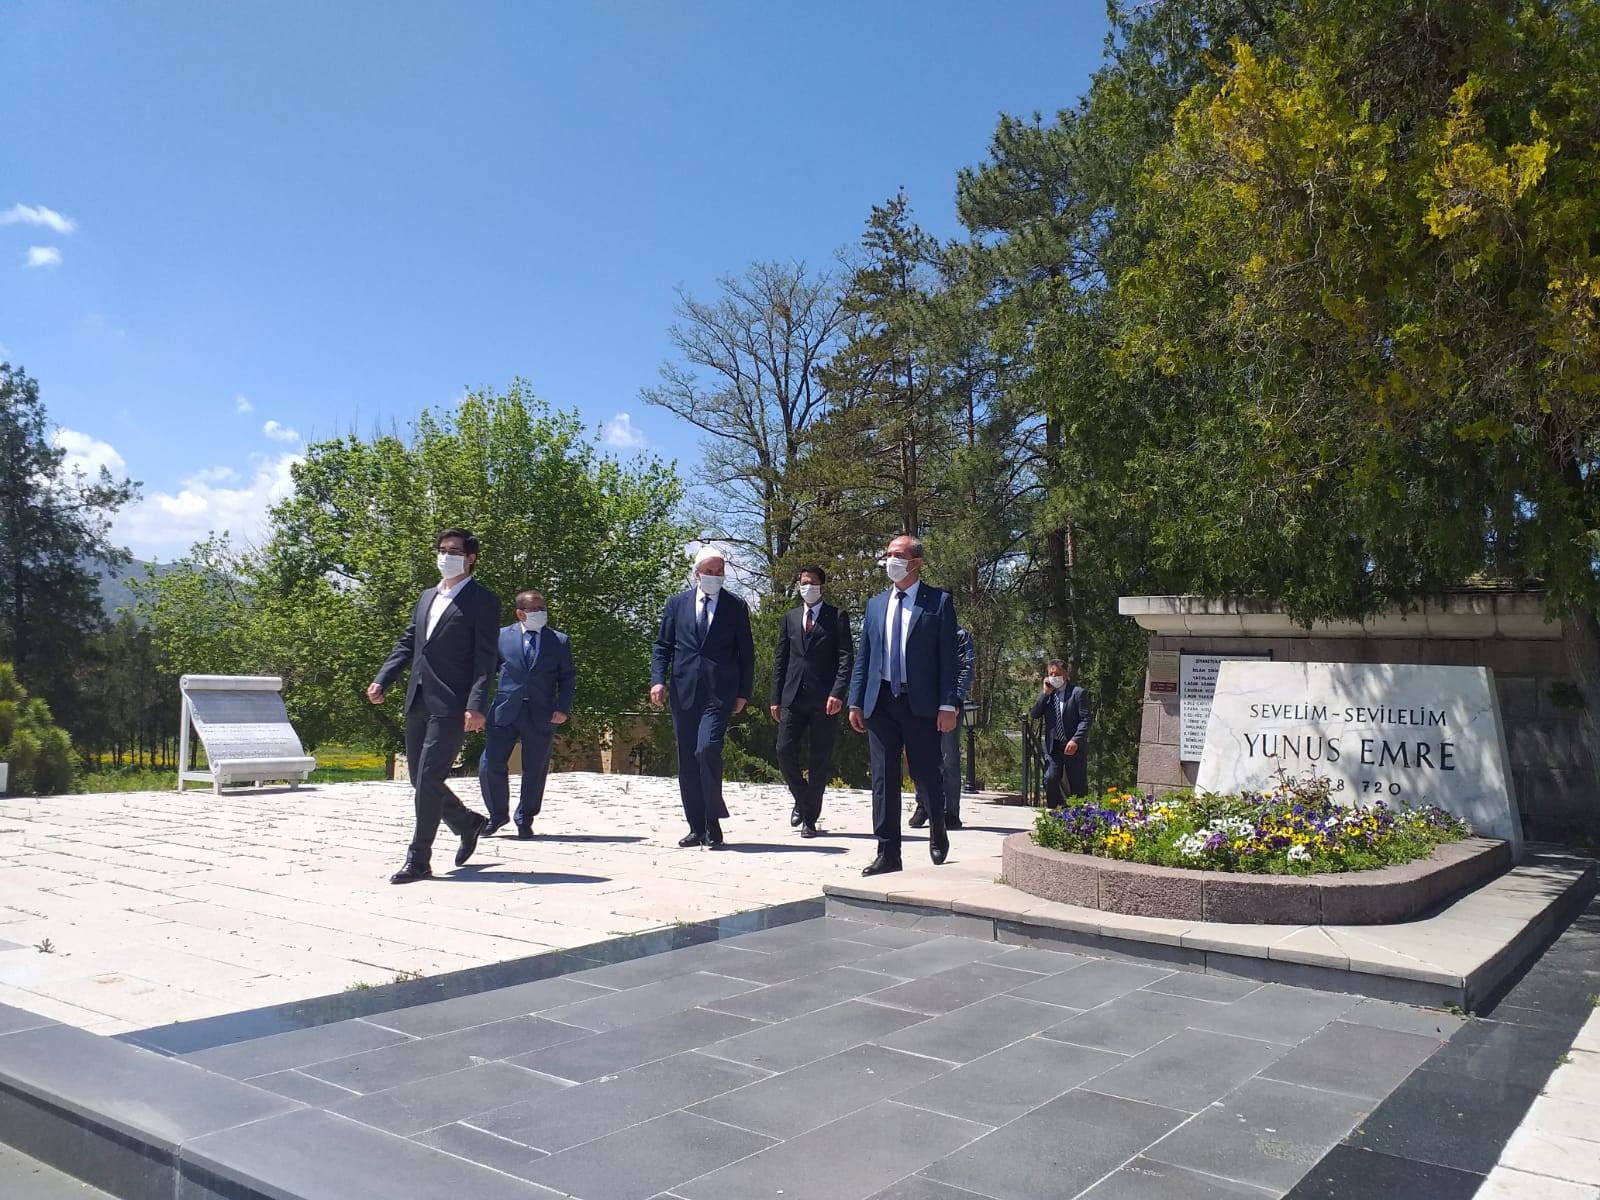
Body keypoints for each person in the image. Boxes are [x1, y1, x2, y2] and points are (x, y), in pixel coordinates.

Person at [368, 527, 501, 884]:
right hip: (418, 697)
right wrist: (383, 678)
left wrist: (476, 705)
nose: (445, 556)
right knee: (419, 778)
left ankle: (419, 859)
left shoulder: (483, 601)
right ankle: (466, 822)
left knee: (429, 777)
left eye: (453, 551)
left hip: (453, 703)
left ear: (470, 558)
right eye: (442, 549)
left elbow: (485, 659)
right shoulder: (427, 596)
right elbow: (409, 641)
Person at [848, 534, 959, 876]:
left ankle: (938, 828)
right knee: (883, 778)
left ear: (916, 562)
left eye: (897, 555)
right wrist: (855, 701)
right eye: (888, 554)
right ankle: (888, 852)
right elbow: (865, 656)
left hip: (920, 702)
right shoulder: (876, 604)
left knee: (925, 773)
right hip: (880, 701)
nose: (890, 560)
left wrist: (948, 705)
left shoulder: (938, 602)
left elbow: (949, 659)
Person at [650, 548, 754, 848]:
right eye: (710, 572)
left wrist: (743, 692)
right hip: (683, 691)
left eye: (720, 572)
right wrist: (657, 680)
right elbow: (662, 645)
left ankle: (712, 820)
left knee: (706, 749)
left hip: (719, 692)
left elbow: (746, 653)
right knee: (687, 760)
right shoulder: (677, 604)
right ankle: (696, 827)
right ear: (697, 573)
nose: (716, 577)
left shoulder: (735, 606)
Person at [478, 589, 576, 838]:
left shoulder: (559, 641)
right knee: (490, 763)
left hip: (542, 713)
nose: (540, 613)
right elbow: (484, 674)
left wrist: (562, 708)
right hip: (504, 711)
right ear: (520, 613)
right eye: (534, 609)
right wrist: (475, 708)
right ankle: (497, 815)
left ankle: (525, 817)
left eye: (543, 608)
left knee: (535, 768)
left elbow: (567, 678)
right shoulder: (501, 637)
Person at [769, 565, 853, 838]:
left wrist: (837, 692)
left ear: (822, 586)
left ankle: (810, 819)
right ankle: (802, 798)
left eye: (812, 582)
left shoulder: (837, 616)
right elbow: (781, 659)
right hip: (793, 696)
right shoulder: (790, 618)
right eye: (803, 582)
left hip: (824, 699)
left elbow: (845, 658)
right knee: (783, 750)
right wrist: (775, 697)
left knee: (819, 759)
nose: (807, 587)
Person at [911, 624, 974, 830]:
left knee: (949, 758)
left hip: (949, 703)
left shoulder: (960, 635)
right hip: (923, 702)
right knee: (921, 757)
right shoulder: (922, 631)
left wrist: (956, 699)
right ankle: (923, 806)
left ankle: (950, 811)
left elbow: (966, 668)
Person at [1030, 659, 1092, 803]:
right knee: (1050, 778)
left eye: (1057, 674)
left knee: (1077, 785)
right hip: (1054, 747)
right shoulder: (1049, 694)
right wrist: (1045, 694)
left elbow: (1086, 719)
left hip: (1073, 746)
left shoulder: (1078, 693)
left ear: (1066, 674)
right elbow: (1034, 714)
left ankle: (1079, 813)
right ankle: (1055, 810)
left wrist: (1075, 740)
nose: (1053, 677)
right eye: (1050, 674)